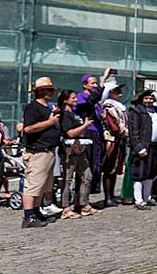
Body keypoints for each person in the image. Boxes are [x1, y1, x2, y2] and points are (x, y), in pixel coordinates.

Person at [20, 76, 61, 228]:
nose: (51, 92)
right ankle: (28, 216)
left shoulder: (48, 107)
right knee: (33, 185)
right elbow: (28, 128)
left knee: (43, 185)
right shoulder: (33, 107)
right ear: (40, 91)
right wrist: (49, 123)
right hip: (38, 151)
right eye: (48, 89)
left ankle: (36, 211)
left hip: (48, 150)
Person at [56, 89, 99, 218]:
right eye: (73, 98)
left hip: (81, 148)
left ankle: (83, 204)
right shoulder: (64, 115)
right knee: (67, 179)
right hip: (70, 150)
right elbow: (70, 133)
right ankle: (65, 207)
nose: (75, 100)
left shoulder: (75, 114)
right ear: (65, 100)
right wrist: (85, 126)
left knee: (87, 176)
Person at [128, 89, 157, 210]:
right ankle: (139, 200)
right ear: (141, 100)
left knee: (150, 174)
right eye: (146, 98)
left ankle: (147, 197)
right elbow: (133, 132)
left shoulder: (155, 110)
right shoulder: (136, 111)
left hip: (154, 146)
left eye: (151, 98)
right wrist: (139, 147)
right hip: (142, 147)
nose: (149, 101)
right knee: (139, 174)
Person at [99, 81, 128, 207]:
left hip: (119, 139)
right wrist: (126, 132)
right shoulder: (108, 106)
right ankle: (107, 197)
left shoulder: (118, 106)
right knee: (109, 168)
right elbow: (113, 125)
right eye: (116, 91)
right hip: (111, 139)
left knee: (115, 169)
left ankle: (111, 195)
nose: (120, 94)